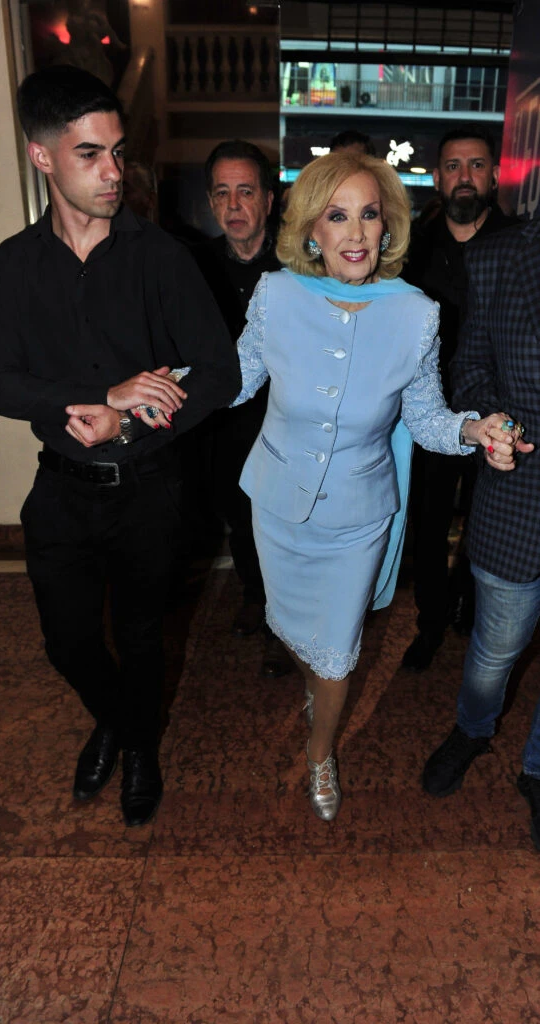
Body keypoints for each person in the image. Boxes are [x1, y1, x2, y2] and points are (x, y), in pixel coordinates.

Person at [231, 150, 518, 822]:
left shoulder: (415, 314)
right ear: (311, 230)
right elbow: (233, 380)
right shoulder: (276, 296)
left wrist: (472, 429)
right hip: (278, 506)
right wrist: (156, 390)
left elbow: (426, 419)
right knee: (295, 635)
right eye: (337, 216)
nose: (356, 233)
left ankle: (319, 751)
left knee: (336, 657)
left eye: (368, 215)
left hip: (358, 518)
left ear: (387, 227)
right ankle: (317, 691)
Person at [0, 65, 240, 828]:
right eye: (89, 154)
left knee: (140, 637)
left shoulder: (160, 257)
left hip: (148, 490)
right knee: (66, 643)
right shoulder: (14, 263)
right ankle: (124, 724)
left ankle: (137, 752)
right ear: (41, 156)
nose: (112, 171)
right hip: (60, 489)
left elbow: (220, 375)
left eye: (118, 152)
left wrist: (125, 421)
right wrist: (102, 394)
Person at [422, 214, 540, 852]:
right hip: (517, 497)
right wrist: (494, 424)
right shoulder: (496, 258)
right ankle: (472, 730)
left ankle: (538, 769)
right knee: (495, 651)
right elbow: (470, 368)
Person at [401, 126, 518, 671]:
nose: (464, 176)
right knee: (427, 521)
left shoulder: (520, 244)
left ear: (494, 175)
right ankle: (429, 620)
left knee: (487, 519)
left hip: (502, 411)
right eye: (453, 166)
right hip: (432, 413)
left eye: (475, 165)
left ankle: (471, 609)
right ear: (436, 177)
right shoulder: (413, 249)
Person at [191, 139, 293, 678]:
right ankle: (255, 594)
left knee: (284, 527)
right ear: (211, 201)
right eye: (222, 193)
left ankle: (284, 624)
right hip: (224, 424)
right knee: (239, 519)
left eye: (246, 192)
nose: (234, 205)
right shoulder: (194, 267)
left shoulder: (299, 265)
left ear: (269, 201)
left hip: (287, 424)